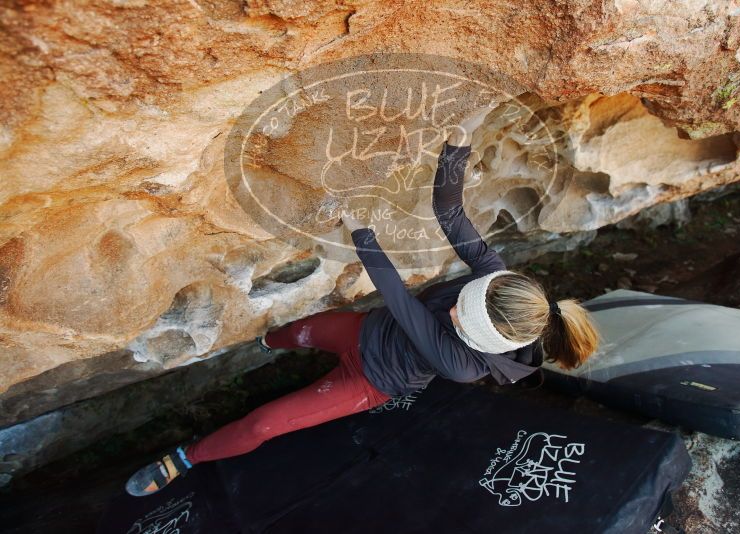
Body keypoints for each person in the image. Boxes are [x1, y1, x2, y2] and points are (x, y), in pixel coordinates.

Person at [125, 105, 600, 496]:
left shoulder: (464, 367)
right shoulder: (497, 276)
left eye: (464, 322)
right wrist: (458, 141)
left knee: (264, 426)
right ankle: (267, 346)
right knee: (299, 332)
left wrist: (362, 234)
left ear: (487, 343)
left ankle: (183, 458)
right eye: (468, 300)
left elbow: (401, 300)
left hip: (370, 380)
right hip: (370, 330)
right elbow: (449, 211)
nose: (454, 309)